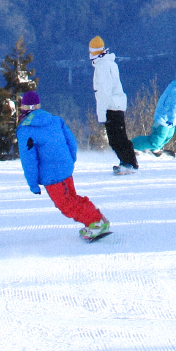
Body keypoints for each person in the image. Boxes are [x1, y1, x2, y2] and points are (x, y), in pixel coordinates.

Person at [17, 90, 110, 242]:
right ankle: (98, 218)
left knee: (66, 205)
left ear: (23, 109)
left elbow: (29, 161)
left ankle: (96, 222)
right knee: (73, 198)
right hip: (66, 169)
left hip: (52, 176)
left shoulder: (26, 130)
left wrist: (33, 184)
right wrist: (70, 160)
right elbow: (71, 142)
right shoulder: (55, 120)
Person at [89, 35, 138, 173]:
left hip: (111, 106)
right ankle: (126, 162)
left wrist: (101, 114)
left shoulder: (102, 66)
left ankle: (129, 163)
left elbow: (104, 91)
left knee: (116, 138)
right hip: (117, 104)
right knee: (118, 137)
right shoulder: (108, 63)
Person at [134, 64, 176, 157]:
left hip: (169, 117)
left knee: (168, 135)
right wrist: (171, 117)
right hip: (165, 117)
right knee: (157, 138)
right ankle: (130, 146)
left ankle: (155, 150)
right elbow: (174, 103)